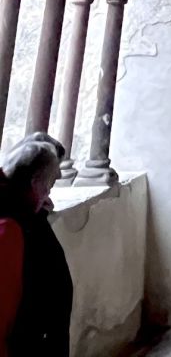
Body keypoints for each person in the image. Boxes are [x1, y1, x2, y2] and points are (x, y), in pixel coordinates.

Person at [0, 135, 73, 355]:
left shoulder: (23, 211)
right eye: (48, 187)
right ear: (34, 183)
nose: (48, 197)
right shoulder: (10, 228)